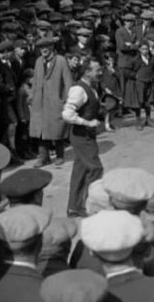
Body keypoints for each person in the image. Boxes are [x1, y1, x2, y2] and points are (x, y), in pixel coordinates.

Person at [61, 57, 104, 218]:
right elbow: (67, 114)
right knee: (95, 168)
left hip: (86, 135)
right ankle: (88, 204)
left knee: (80, 171)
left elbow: (86, 106)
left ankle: (74, 207)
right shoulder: (78, 90)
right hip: (81, 136)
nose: (100, 72)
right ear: (87, 72)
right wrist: (87, 122)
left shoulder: (91, 87)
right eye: (97, 70)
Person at [29, 36, 73, 168]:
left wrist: (67, 100)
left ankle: (60, 156)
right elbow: (36, 80)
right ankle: (43, 157)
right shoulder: (38, 61)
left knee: (57, 128)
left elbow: (68, 82)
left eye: (46, 47)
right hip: (40, 101)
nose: (43, 50)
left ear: (52, 47)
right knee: (41, 131)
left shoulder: (61, 61)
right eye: (41, 48)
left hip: (56, 100)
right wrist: (32, 96)